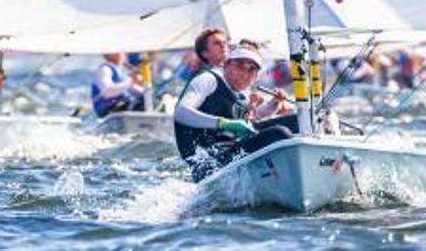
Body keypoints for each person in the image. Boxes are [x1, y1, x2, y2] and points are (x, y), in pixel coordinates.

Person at [173, 44, 296, 181]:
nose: (245, 74)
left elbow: (250, 120)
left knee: (295, 121)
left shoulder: (241, 93)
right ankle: (290, 177)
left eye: (251, 70)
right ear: (226, 65)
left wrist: (274, 104)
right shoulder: (208, 80)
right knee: (280, 133)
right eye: (240, 66)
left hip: (233, 152)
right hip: (208, 164)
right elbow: (180, 113)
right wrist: (223, 124)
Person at [91, 52, 146, 118]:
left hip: (121, 107)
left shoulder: (120, 72)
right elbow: (107, 91)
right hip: (109, 109)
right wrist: (131, 82)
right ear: (112, 54)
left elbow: (133, 89)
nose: (124, 54)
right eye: (121, 52)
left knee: (145, 99)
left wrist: (148, 94)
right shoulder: (104, 70)